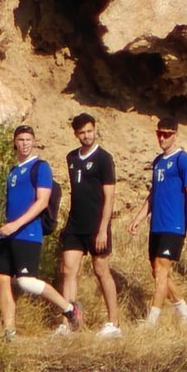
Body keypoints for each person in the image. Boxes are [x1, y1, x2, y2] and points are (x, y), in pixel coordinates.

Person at [0, 125, 83, 340]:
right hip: (10, 234)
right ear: (15, 142)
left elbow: (42, 202)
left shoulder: (40, 167)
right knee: (2, 278)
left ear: (34, 142)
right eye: (20, 139)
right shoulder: (13, 171)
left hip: (28, 233)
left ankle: (69, 309)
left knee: (26, 281)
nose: (24, 143)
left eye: (28, 139)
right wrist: (8, 227)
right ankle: (9, 332)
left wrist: (15, 225)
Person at [128, 118, 187, 327]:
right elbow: (154, 194)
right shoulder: (158, 162)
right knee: (158, 272)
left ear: (175, 135)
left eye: (167, 134)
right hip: (157, 225)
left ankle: (152, 321)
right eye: (159, 133)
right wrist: (139, 218)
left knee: (162, 271)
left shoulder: (183, 161)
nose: (162, 138)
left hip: (174, 225)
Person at [57, 113, 121, 339]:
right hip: (75, 224)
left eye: (89, 131)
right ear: (76, 134)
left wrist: (103, 229)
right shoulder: (71, 158)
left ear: (95, 129)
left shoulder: (104, 158)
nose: (86, 135)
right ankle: (68, 323)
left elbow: (109, 196)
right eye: (82, 132)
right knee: (68, 270)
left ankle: (114, 323)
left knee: (101, 270)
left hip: (96, 225)